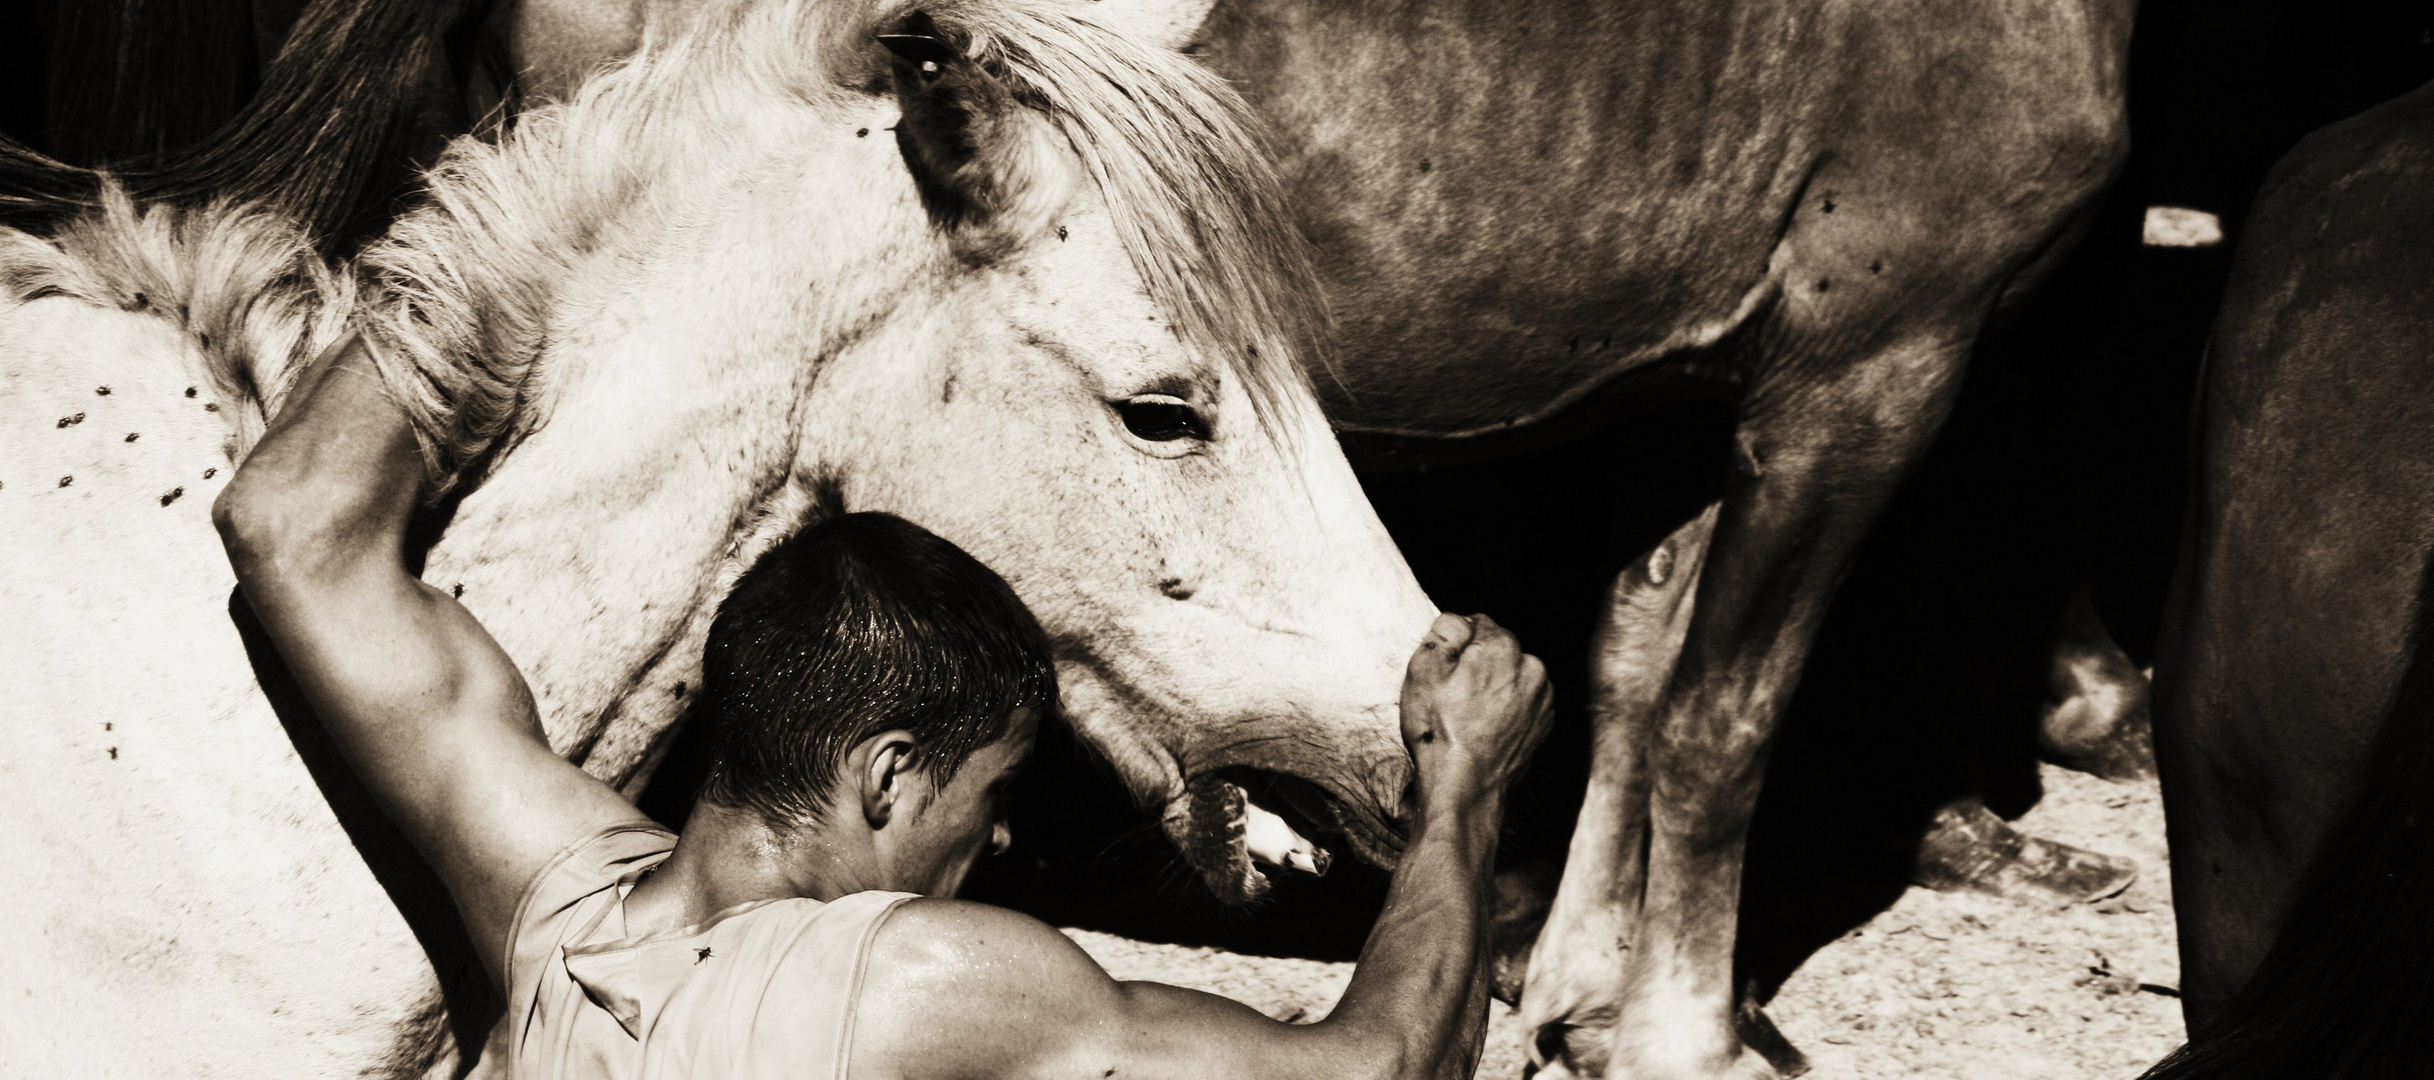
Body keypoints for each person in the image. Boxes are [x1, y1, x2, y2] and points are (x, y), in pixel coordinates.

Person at [214, 337, 1554, 1080]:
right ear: (889, 773)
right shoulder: (914, 980)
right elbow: (1376, 1075)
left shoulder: (550, 906)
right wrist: (1465, 796)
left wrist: (531, 209)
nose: (1008, 847)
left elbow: (292, 528)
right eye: (996, 794)